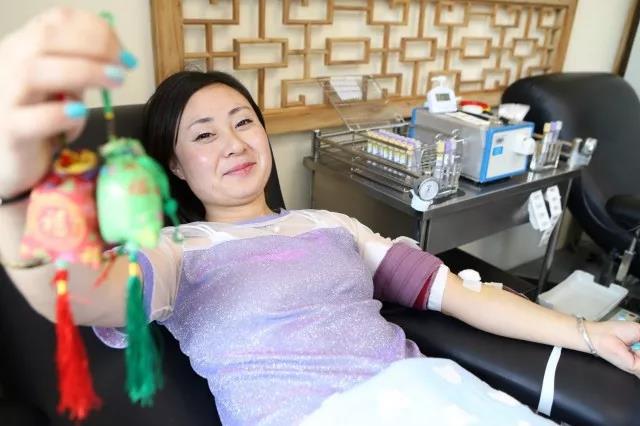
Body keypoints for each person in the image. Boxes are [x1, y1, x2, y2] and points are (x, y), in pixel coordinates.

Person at [1, 8, 639, 426]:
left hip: (429, 398)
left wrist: (587, 332)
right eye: (205, 135)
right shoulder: (175, 248)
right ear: (176, 165)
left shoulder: (332, 225)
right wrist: (15, 191)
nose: (234, 143)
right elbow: (82, 293)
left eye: (244, 121)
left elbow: (459, 296)